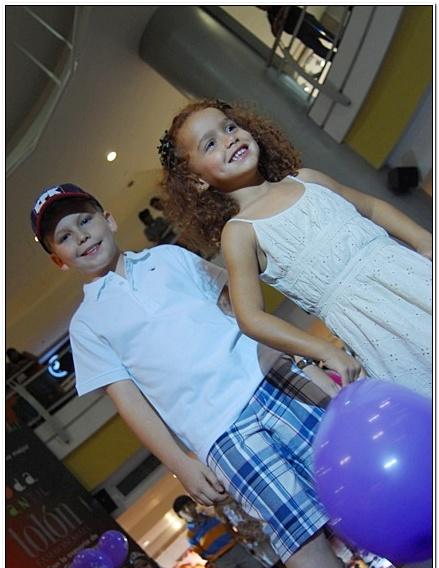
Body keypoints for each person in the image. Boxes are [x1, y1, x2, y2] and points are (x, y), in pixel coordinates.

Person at [30, 182, 385, 568]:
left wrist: (307, 365)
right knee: (300, 539)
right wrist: (180, 463)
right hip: (220, 434)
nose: (81, 236)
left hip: (273, 376)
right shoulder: (86, 326)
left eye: (85, 220)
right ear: (58, 260)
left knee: (368, 485)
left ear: (108, 218)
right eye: (64, 237)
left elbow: (239, 308)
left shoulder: (169, 257)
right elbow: (129, 402)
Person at [158, 99, 432, 397]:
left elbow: (371, 207)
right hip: (373, 323)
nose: (229, 139)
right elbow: (250, 317)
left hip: (414, 277)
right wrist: (322, 350)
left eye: (230, 127)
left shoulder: (307, 179)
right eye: (210, 144)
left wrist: (423, 239)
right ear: (196, 180)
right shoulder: (240, 233)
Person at [173, 494, 267, 568]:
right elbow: (201, 554)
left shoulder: (213, 516)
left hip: (236, 548)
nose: (188, 510)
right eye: (183, 510)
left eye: (189, 505)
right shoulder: (190, 535)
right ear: (180, 515)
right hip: (221, 560)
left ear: (194, 504)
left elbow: (229, 528)